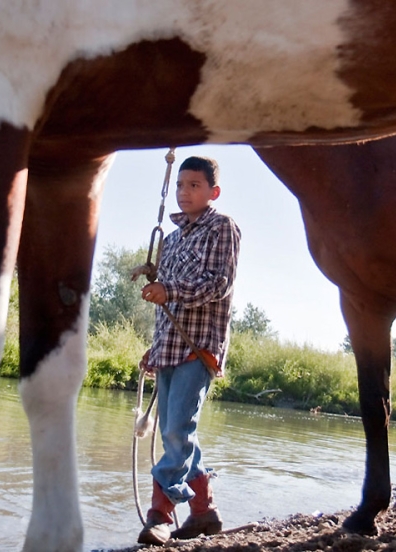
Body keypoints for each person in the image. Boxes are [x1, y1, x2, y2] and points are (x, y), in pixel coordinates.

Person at [131, 155, 241, 545]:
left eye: (194, 185)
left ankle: (160, 513)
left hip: (200, 347)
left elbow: (219, 284)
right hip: (170, 347)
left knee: (177, 430)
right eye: (180, 185)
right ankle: (204, 511)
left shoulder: (222, 228)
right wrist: (155, 348)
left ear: (213, 192)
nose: (184, 192)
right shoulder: (173, 239)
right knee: (177, 434)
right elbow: (166, 306)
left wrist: (170, 290)